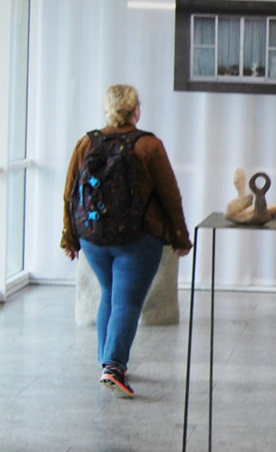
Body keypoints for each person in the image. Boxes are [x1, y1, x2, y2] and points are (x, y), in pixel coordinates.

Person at [61, 84, 192, 398]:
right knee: (127, 302)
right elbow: (170, 196)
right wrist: (180, 237)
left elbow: (69, 194)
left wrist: (70, 236)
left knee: (110, 292)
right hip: (138, 237)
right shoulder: (148, 145)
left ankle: (106, 360)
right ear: (136, 111)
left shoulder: (86, 142)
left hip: (93, 238)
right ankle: (114, 366)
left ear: (108, 109)